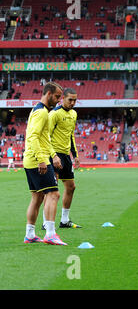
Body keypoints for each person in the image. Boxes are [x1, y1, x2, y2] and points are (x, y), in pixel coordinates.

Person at [23, 81, 67, 245]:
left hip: (30, 159)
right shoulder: (42, 112)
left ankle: (30, 234)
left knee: (37, 197)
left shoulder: (37, 109)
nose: (58, 100)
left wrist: (54, 155)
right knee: (53, 194)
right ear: (48, 94)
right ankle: (50, 233)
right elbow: (33, 136)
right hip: (37, 160)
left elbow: (43, 137)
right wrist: (42, 159)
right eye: (57, 97)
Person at [45, 88, 82, 229]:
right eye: (70, 100)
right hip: (54, 155)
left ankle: (64, 220)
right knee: (51, 190)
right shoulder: (54, 114)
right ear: (63, 99)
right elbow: (46, 136)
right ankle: (45, 221)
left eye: (75, 100)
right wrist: (53, 155)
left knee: (71, 187)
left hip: (66, 156)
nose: (72, 103)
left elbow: (71, 136)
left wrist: (76, 155)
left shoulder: (74, 114)